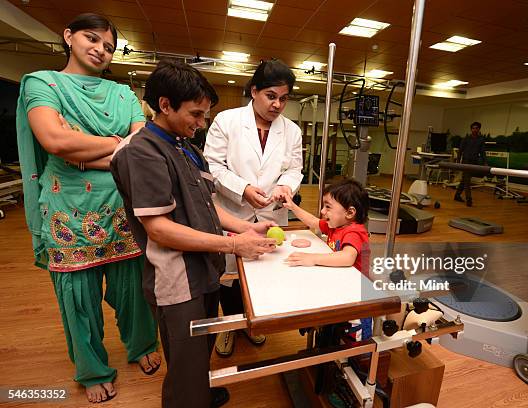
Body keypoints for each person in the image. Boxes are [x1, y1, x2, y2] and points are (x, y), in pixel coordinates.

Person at [110, 59, 278, 408]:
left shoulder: (184, 147)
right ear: (165, 105)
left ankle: (197, 394)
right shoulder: (141, 152)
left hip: (204, 270)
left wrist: (245, 226)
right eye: (196, 115)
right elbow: (160, 229)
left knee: (199, 352)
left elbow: (204, 204)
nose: (201, 124)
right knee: (185, 362)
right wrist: (234, 244)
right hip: (177, 280)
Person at [15, 13, 160, 404]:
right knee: (77, 297)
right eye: (92, 39)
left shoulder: (123, 94)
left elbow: (140, 146)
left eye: (109, 47)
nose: (100, 49)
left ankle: (142, 344)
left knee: (133, 287)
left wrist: (82, 149)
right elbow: (54, 140)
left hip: (121, 205)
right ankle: (92, 368)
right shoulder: (42, 83)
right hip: (69, 210)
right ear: (69, 36)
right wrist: (109, 145)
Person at [203, 59, 303, 356]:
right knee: (229, 275)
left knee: (265, 272)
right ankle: (232, 326)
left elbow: (295, 169)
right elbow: (212, 166)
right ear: (254, 91)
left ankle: (252, 323)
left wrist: (286, 187)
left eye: (283, 99)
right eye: (271, 96)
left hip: (271, 213)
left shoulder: (292, 131)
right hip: (232, 212)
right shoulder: (227, 120)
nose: (277, 105)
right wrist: (243, 189)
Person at [281, 179, 372, 343]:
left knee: (357, 341)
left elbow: (347, 257)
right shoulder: (335, 225)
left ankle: (360, 361)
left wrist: (312, 258)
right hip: (340, 287)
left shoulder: (354, 231)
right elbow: (313, 222)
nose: (322, 211)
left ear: (350, 213)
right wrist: (293, 207)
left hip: (357, 297)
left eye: (328, 207)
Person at [454, 121, 487, 207]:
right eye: (473, 128)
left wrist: (485, 163)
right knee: (467, 181)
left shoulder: (481, 140)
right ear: (471, 129)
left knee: (465, 179)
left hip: (474, 162)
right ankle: (469, 200)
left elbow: (483, 152)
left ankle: (457, 195)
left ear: (479, 129)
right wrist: (458, 162)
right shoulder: (466, 139)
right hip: (465, 162)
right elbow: (460, 151)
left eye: (476, 128)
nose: (475, 130)